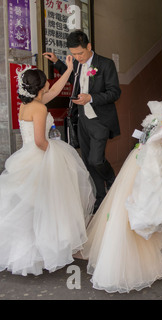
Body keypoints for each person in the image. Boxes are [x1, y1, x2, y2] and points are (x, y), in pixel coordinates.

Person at [82, 100, 162, 293]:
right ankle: (160, 234)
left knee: (143, 200)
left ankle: (161, 232)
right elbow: (153, 140)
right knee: (153, 198)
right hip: (149, 163)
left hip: (140, 161)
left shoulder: (156, 125)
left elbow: (147, 140)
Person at [0, 58, 95, 276]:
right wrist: (57, 153)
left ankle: (29, 253)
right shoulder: (40, 108)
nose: (49, 86)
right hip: (39, 157)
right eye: (47, 84)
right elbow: (40, 141)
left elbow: (52, 92)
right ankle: (43, 252)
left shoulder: (26, 105)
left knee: (31, 209)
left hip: (24, 156)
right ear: (42, 86)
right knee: (48, 206)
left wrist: (69, 69)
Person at [43, 30, 121, 212]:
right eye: (74, 54)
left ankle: (112, 179)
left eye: (81, 53)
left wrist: (91, 98)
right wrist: (56, 62)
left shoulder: (105, 64)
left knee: (96, 159)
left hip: (100, 120)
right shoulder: (77, 64)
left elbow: (115, 92)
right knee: (87, 160)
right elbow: (72, 76)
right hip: (82, 119)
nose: (78, 57)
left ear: (89, 47)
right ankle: (100, 197)